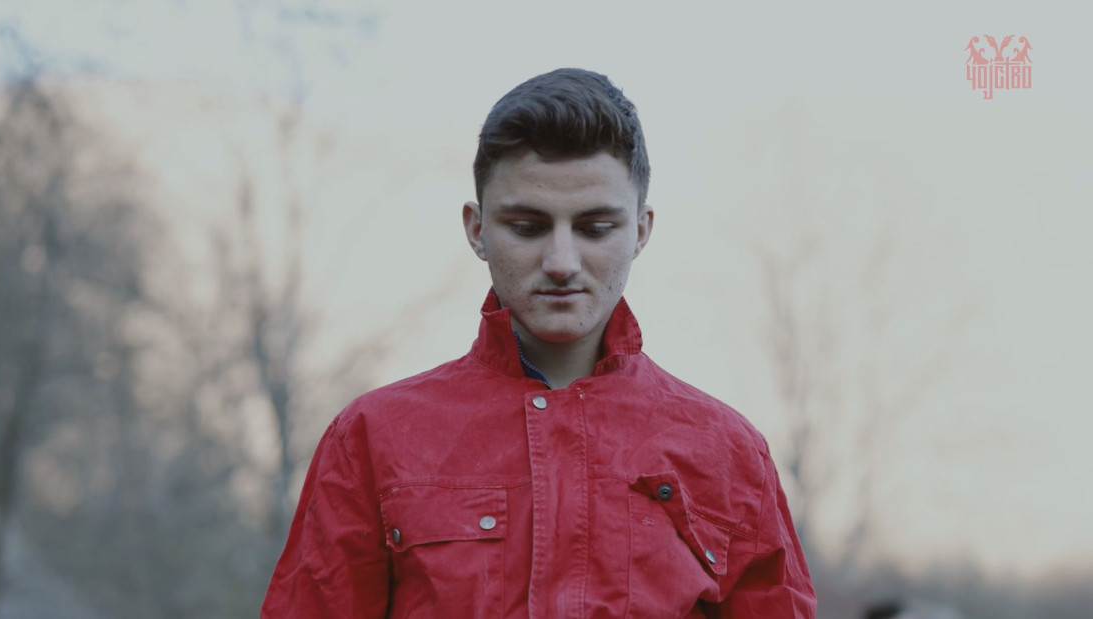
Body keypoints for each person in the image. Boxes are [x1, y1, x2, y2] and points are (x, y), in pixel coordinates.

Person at [261, 68, 816, 618]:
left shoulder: (729, 453)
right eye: (527, 227)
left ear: (641, 230)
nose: (561, 262)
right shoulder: (372, 439)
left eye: (596, 228)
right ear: (477, 229)